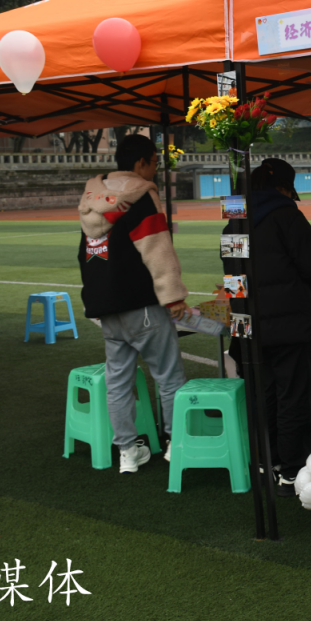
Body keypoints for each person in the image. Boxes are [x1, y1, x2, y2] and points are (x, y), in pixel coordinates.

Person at [78, 134, 190, 474]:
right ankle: (175, 443)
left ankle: (127, 451)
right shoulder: (141, 196)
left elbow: (86, 256)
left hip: (106, 306)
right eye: (154, 162)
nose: (155, 169)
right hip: (141, 304)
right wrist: (173, 296)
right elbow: (157, 248)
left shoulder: (91, 201)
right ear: (141, 162)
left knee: (118, 381)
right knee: (168, 376)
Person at [223, 158, 311, 496]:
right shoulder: (286, 215)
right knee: (293, 398)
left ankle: (265, 463)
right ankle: (291, 470)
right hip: (288, 324)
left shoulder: (233, 220)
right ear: (284, 188)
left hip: (246, 324)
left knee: (263, 395)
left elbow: (232, 279)